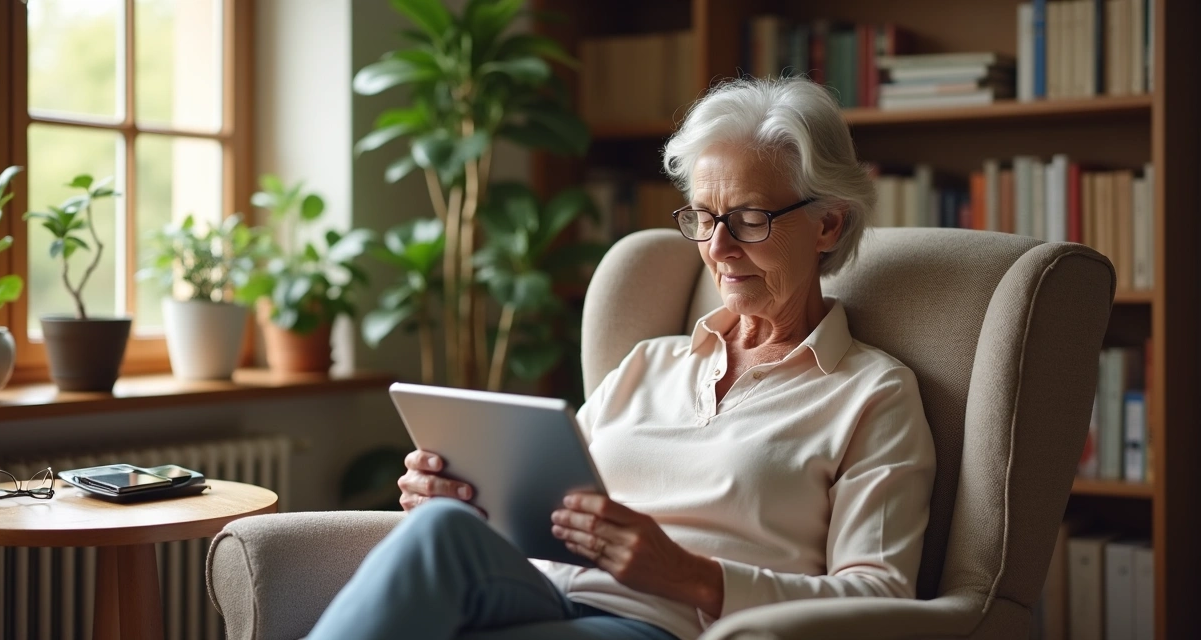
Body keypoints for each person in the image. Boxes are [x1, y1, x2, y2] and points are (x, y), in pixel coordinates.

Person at [307, 76, 936, 640]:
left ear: (828, 225)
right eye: (703, 217)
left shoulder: (871, 394)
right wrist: (465, 495)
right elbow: (544, 508)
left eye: (748, 219)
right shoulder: (648, 364)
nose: (718, 248)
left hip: (661, 625)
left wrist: (692, 576)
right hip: (540, 594)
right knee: (439, 531)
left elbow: (878, 597)